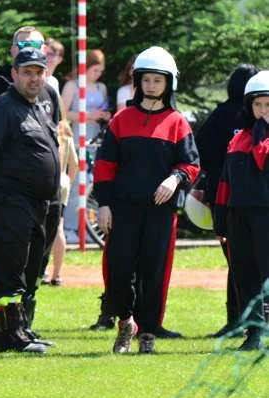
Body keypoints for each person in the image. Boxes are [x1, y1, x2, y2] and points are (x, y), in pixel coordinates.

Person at [93, 46, 200, 354]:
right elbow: (104, 167)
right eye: (147, 80)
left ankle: (148, 333)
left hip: (160, 213)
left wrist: (175, 178)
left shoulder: (178, 122)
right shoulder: (121, 120)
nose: (152, 86)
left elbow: (191, 163)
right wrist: (103, 203)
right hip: (122, 210)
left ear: (169, 83)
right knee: (118, 270)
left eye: (158, 80)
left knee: (154, 273)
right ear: (137, 81)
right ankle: (126, 321)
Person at [0, 27, 61, 348]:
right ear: (15, 73)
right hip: (9, 202)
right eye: (27, 73)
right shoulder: (2, 107)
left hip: (38, 205)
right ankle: (7, 336)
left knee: (27, 270)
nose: (33, 79)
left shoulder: (37, 105)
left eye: (39, 72)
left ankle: (18, 328)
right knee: (8, 271)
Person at [196, 64, 259, 336]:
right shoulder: (251, 119)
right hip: (243, 198)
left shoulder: (220, 116)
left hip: (222, 197)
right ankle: (244, 321)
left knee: (237, 263)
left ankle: (237, 320)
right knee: (246, 264)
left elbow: (200, 151)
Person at [213, 71, 269, 350]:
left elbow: (264, 160)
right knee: (244, 273)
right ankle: (254, 331)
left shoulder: (260, 139)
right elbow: (225, 182)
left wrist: (263, 133)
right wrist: (221, 220)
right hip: (239, 216)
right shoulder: (238, 140)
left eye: (268, 106)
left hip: (265, 215)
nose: (262, 111)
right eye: (257, 105)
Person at [62, 49, 109, 243]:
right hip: (77, 135)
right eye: (95, 70)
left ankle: (88, 227)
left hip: (95, 136)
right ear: (86, 68)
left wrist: (103, 116)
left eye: (100, 71)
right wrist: (89, 116)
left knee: (91, 181)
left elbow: (105, 108)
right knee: (75, 182)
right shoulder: (72, 86)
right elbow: (63, 112)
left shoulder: (101, 88)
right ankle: (70, 227)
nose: (97, 74)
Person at [0, 26, 46, 118]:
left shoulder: (49, 90)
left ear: (45, 50)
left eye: (36, 45)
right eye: (24, 45)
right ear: (13, 50)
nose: (30, 51)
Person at [45, 119, 79, 286]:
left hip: (46, 183)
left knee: (40, 226)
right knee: (58, 227)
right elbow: (75, 164)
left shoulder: (44, 128)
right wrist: (68, 181)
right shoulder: (66, 134)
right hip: (62, 184)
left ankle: (41, 270)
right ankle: (57, 274)